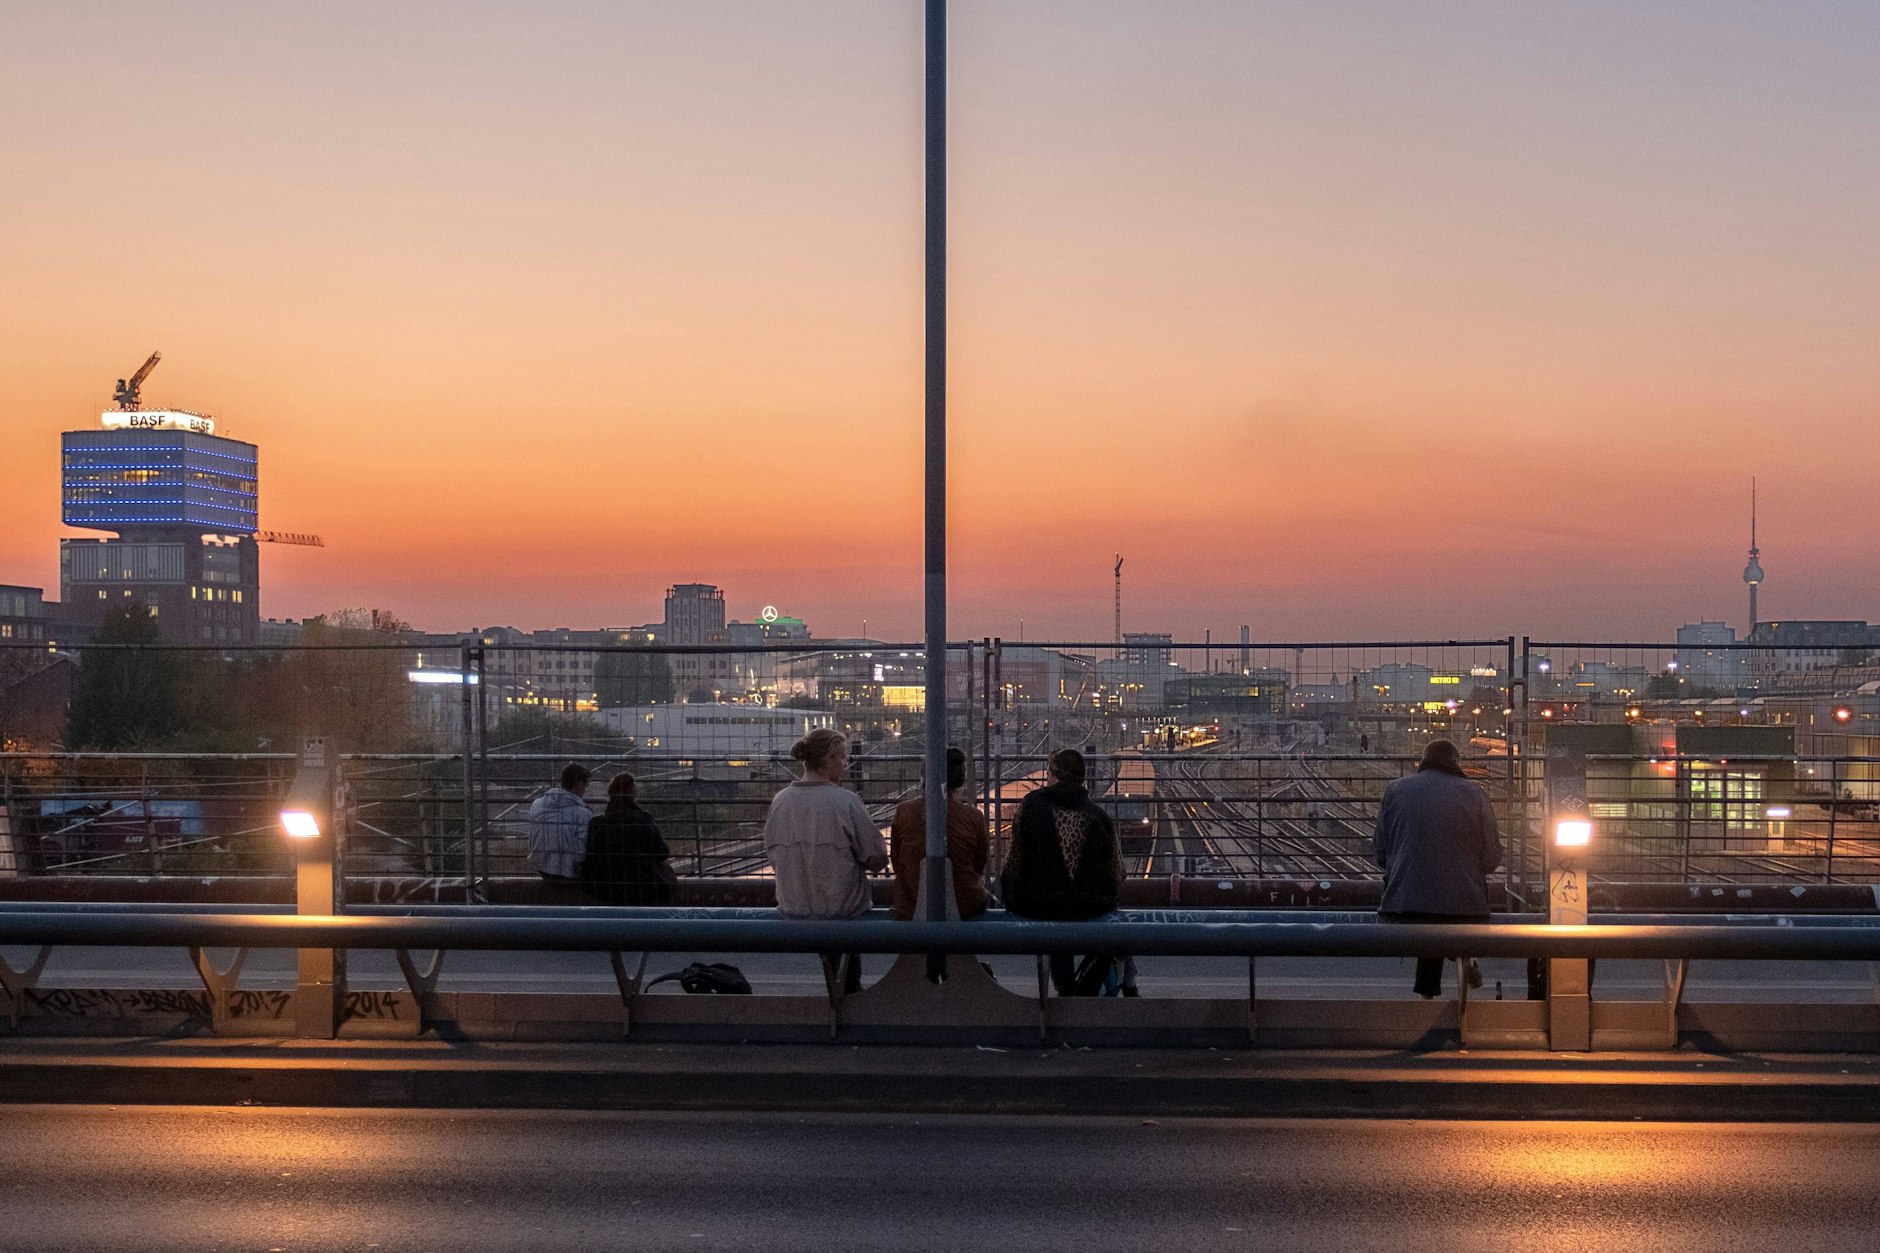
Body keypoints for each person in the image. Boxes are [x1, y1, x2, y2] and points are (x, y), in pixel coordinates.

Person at [1373, 738, 1503, 999]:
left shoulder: (1394, 790)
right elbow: (1491, 858)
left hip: (1404, 908)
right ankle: (1465, 960)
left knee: (1428, 910)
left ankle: (1427, 997)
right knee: (1448, 908)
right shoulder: (1476, 793)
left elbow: (1380, 852)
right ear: (1455, 763)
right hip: (1465, 909)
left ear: (1423, 762)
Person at [762, 728, 888, 994]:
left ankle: (841, 1000)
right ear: (828, 759)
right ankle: (846, 1007)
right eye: (842, 758)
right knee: (847, 969)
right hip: (841, 911)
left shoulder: (780, 801)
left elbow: (773, 855)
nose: (845, 764)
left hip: (793, 907)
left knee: (837, 972)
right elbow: (877, 858)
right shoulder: (846, 802)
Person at [1000, 748, 1123, 996]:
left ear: (1052, 775)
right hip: (1091, 905)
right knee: (1105, 935)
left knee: (1056, 911)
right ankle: (1084, 990)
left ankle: (1066, 992)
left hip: (1038, 903)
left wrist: (1008, 894)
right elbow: (1117, 871)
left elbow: (1014, 860)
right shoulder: (1098, 816)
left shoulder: (1031, 804)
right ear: (1082, 779)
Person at [890, 746, 989, 921]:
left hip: (911, 905)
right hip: (965, 905)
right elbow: (978, 864)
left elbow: (897, 861)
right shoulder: (974, 816)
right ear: (960, 779)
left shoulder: (904, 812)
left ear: (924, 776)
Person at [580, 772, 675, 906]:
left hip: (604, 889)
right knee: (666, 870)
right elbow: (662, 853)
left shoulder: (597, 824)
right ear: (631, 793)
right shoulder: (643, 820)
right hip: (642, 887)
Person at [527, 762, 592, 899]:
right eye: (586, 785)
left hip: (540, 866)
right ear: (579, 784)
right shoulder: (583, 814)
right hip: (566, 872)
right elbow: (580, 853)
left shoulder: (537, 805)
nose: (586, 789)